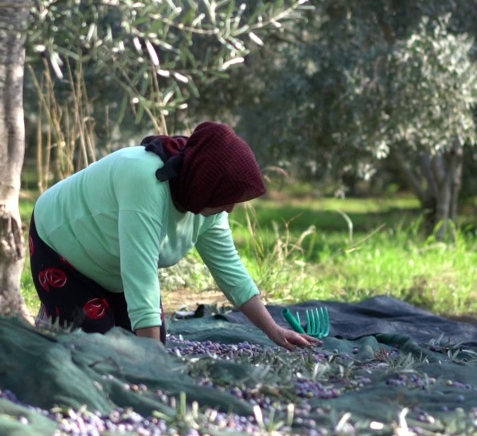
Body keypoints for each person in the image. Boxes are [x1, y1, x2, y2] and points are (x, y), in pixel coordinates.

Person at [28, 121, 319, 350]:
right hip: (63, 248)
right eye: (225, 198)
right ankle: (53, 317)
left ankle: (72, 313)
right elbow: (140, 274)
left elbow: (231, 272)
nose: (229, 208)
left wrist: (274, 330)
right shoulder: (145, 180)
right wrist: (154, 369)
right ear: (206, 184)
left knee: (138, 348)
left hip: (112, 267)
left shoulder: (206, 205)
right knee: (96, 353)